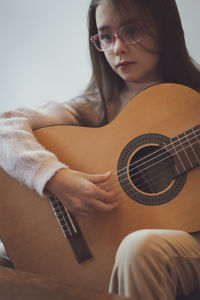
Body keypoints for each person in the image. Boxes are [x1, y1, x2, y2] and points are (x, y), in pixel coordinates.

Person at [0, 0, 200, 299]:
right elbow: (5, 128)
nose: (117, 48)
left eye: (131, 30)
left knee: (139, 247)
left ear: (165, 29)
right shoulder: (92, 108)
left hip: (188, 239)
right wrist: (57, 179)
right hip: (106, 243)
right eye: (106, 36)